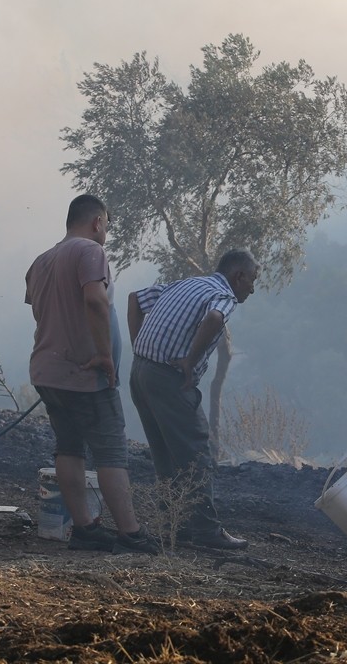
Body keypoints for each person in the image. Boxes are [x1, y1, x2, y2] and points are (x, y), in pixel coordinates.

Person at [25, 194, 159, 555]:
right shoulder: (90, 251)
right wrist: (103, 355)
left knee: (68, 447)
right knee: (111, 451)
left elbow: (42, 310)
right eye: (107, 227)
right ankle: (131, 534)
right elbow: (95, 300)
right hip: (86, 375)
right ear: (98, 222)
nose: (106, 235)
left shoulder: (40, 261)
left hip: (48, 371)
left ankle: (84, 528)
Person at [127, 249, 260, 550]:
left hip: (141, 374)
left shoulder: (186, 284)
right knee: (197, 450)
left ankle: (175, 526)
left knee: (166, 453)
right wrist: (190, 360)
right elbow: (215, 317)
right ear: (238, 276)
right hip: (168, 379)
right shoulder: (223, 296)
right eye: (252, 280)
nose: (252, 288)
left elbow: (135, 298)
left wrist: (139, 348)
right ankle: (205, 531)